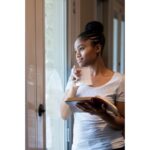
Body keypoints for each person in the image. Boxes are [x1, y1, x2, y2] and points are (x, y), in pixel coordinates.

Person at [60, 21, 125, 150]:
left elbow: (122, 123)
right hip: (80, 147)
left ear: (97, 48)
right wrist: (74, 84)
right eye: (75, 51)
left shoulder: (119, 80)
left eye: (81, 48)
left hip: (111, 147)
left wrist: (101, 113)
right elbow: (64, 114)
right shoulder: (75, 77)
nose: (77, 54)